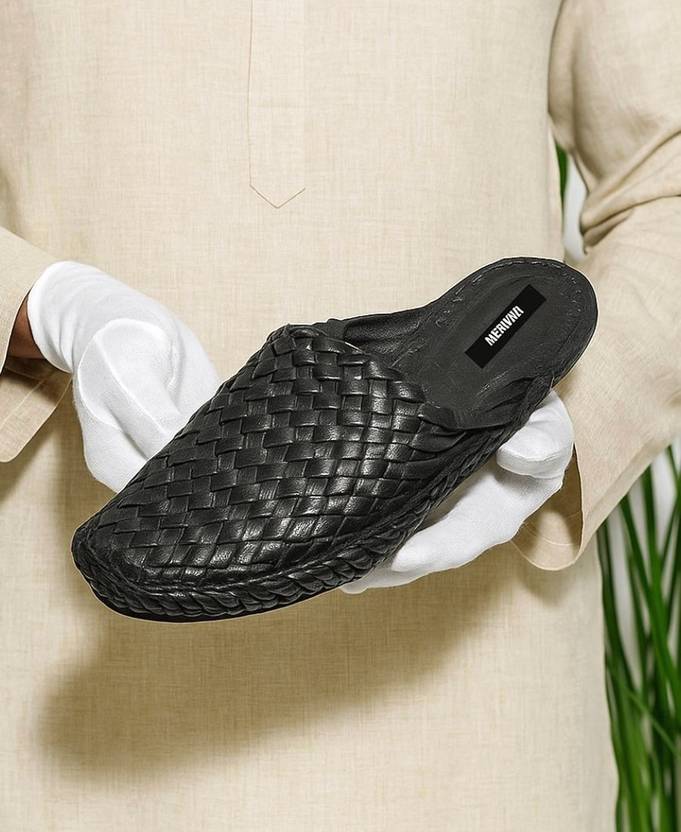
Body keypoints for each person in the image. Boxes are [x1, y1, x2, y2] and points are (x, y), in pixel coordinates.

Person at [0, 2, 678, 829]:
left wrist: (571, 423)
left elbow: (668, 183)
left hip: (483, 715)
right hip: (58, 694)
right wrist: (40, 306)